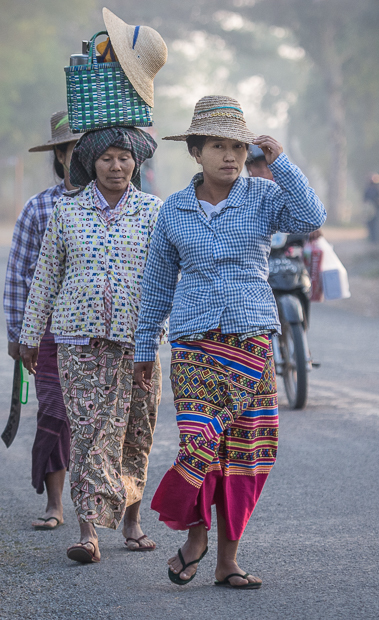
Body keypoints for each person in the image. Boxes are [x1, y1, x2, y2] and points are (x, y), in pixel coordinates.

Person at [133, 96, 326, 589]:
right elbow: (156, 285)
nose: (230, 157)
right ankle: (196, 540)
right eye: (218, 146)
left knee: (244, 452)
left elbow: (310, 216)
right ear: (196, 152)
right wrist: (143, 350)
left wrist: (280, 161)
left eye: (238, 147)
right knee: (202, 444)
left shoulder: (263, 196)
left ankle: (227, 561)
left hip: (252, 339)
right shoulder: (173, 210)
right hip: (195, 344)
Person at [18, 126, 163, 564]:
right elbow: (45, 276)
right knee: (87, 433)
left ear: (136, 163)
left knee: (136, 431)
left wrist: (160, 334)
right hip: (77, 341)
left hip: (136, 344)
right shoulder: (68, 212)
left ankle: (132, 521)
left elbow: (164, 279)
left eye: (124, 158)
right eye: (106, 159)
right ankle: (87, 533)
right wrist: (29, 334)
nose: (116, 166)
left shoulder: (154, 212)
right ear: (90, 164)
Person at [4, 111, 82, 530]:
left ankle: (109, 509)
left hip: (100, 333)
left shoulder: (122, 208)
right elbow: (19, 275)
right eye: (74, 150)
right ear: (60, 156)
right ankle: (55, 504)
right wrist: (19, 335)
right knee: (54, 410)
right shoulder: (38, 209)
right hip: (49, 330)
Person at [364, 173, 379, 243]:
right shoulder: (368, 189)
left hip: (376, 210)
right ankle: (372, 239)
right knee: (371, 224)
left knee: (375, 225)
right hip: (370, 211)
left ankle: (375, 240)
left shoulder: (377, 190)